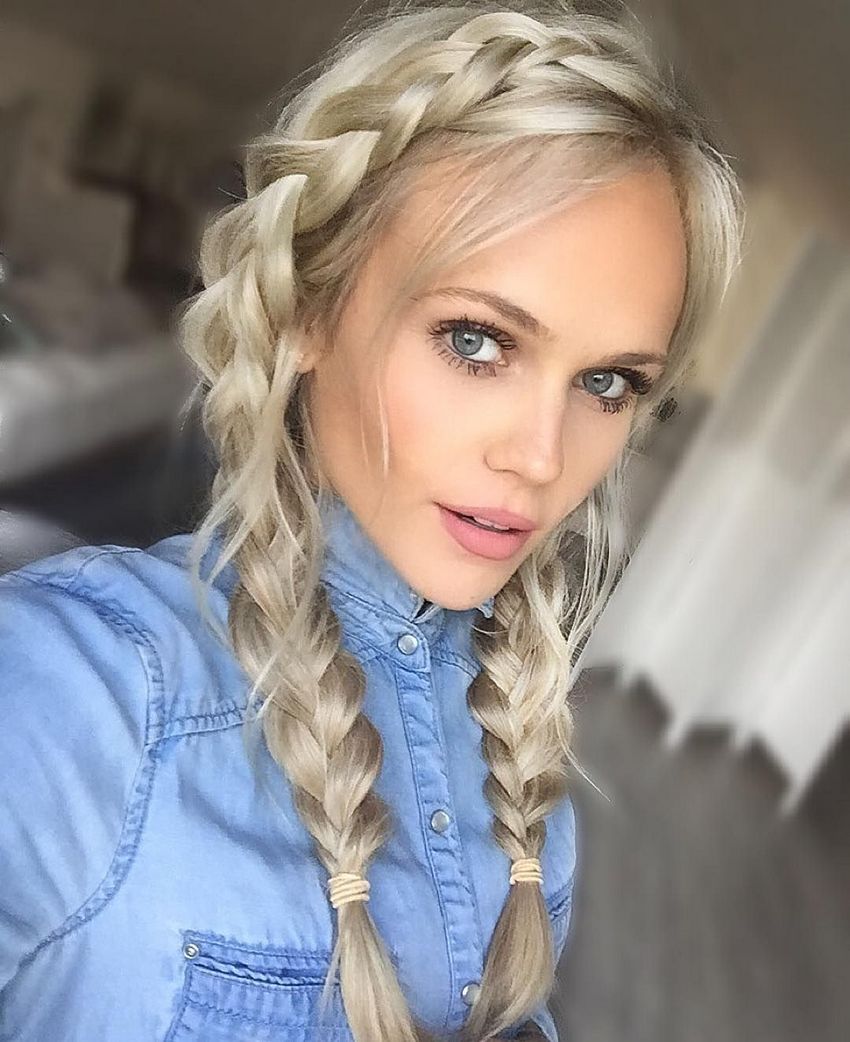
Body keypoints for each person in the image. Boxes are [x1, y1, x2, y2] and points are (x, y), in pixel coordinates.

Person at [0, 1, 744, 1040]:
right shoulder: (75, 693)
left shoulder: (528, 789)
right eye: (477, 341)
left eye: (608, 382)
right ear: (307, 306)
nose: (541, 458)